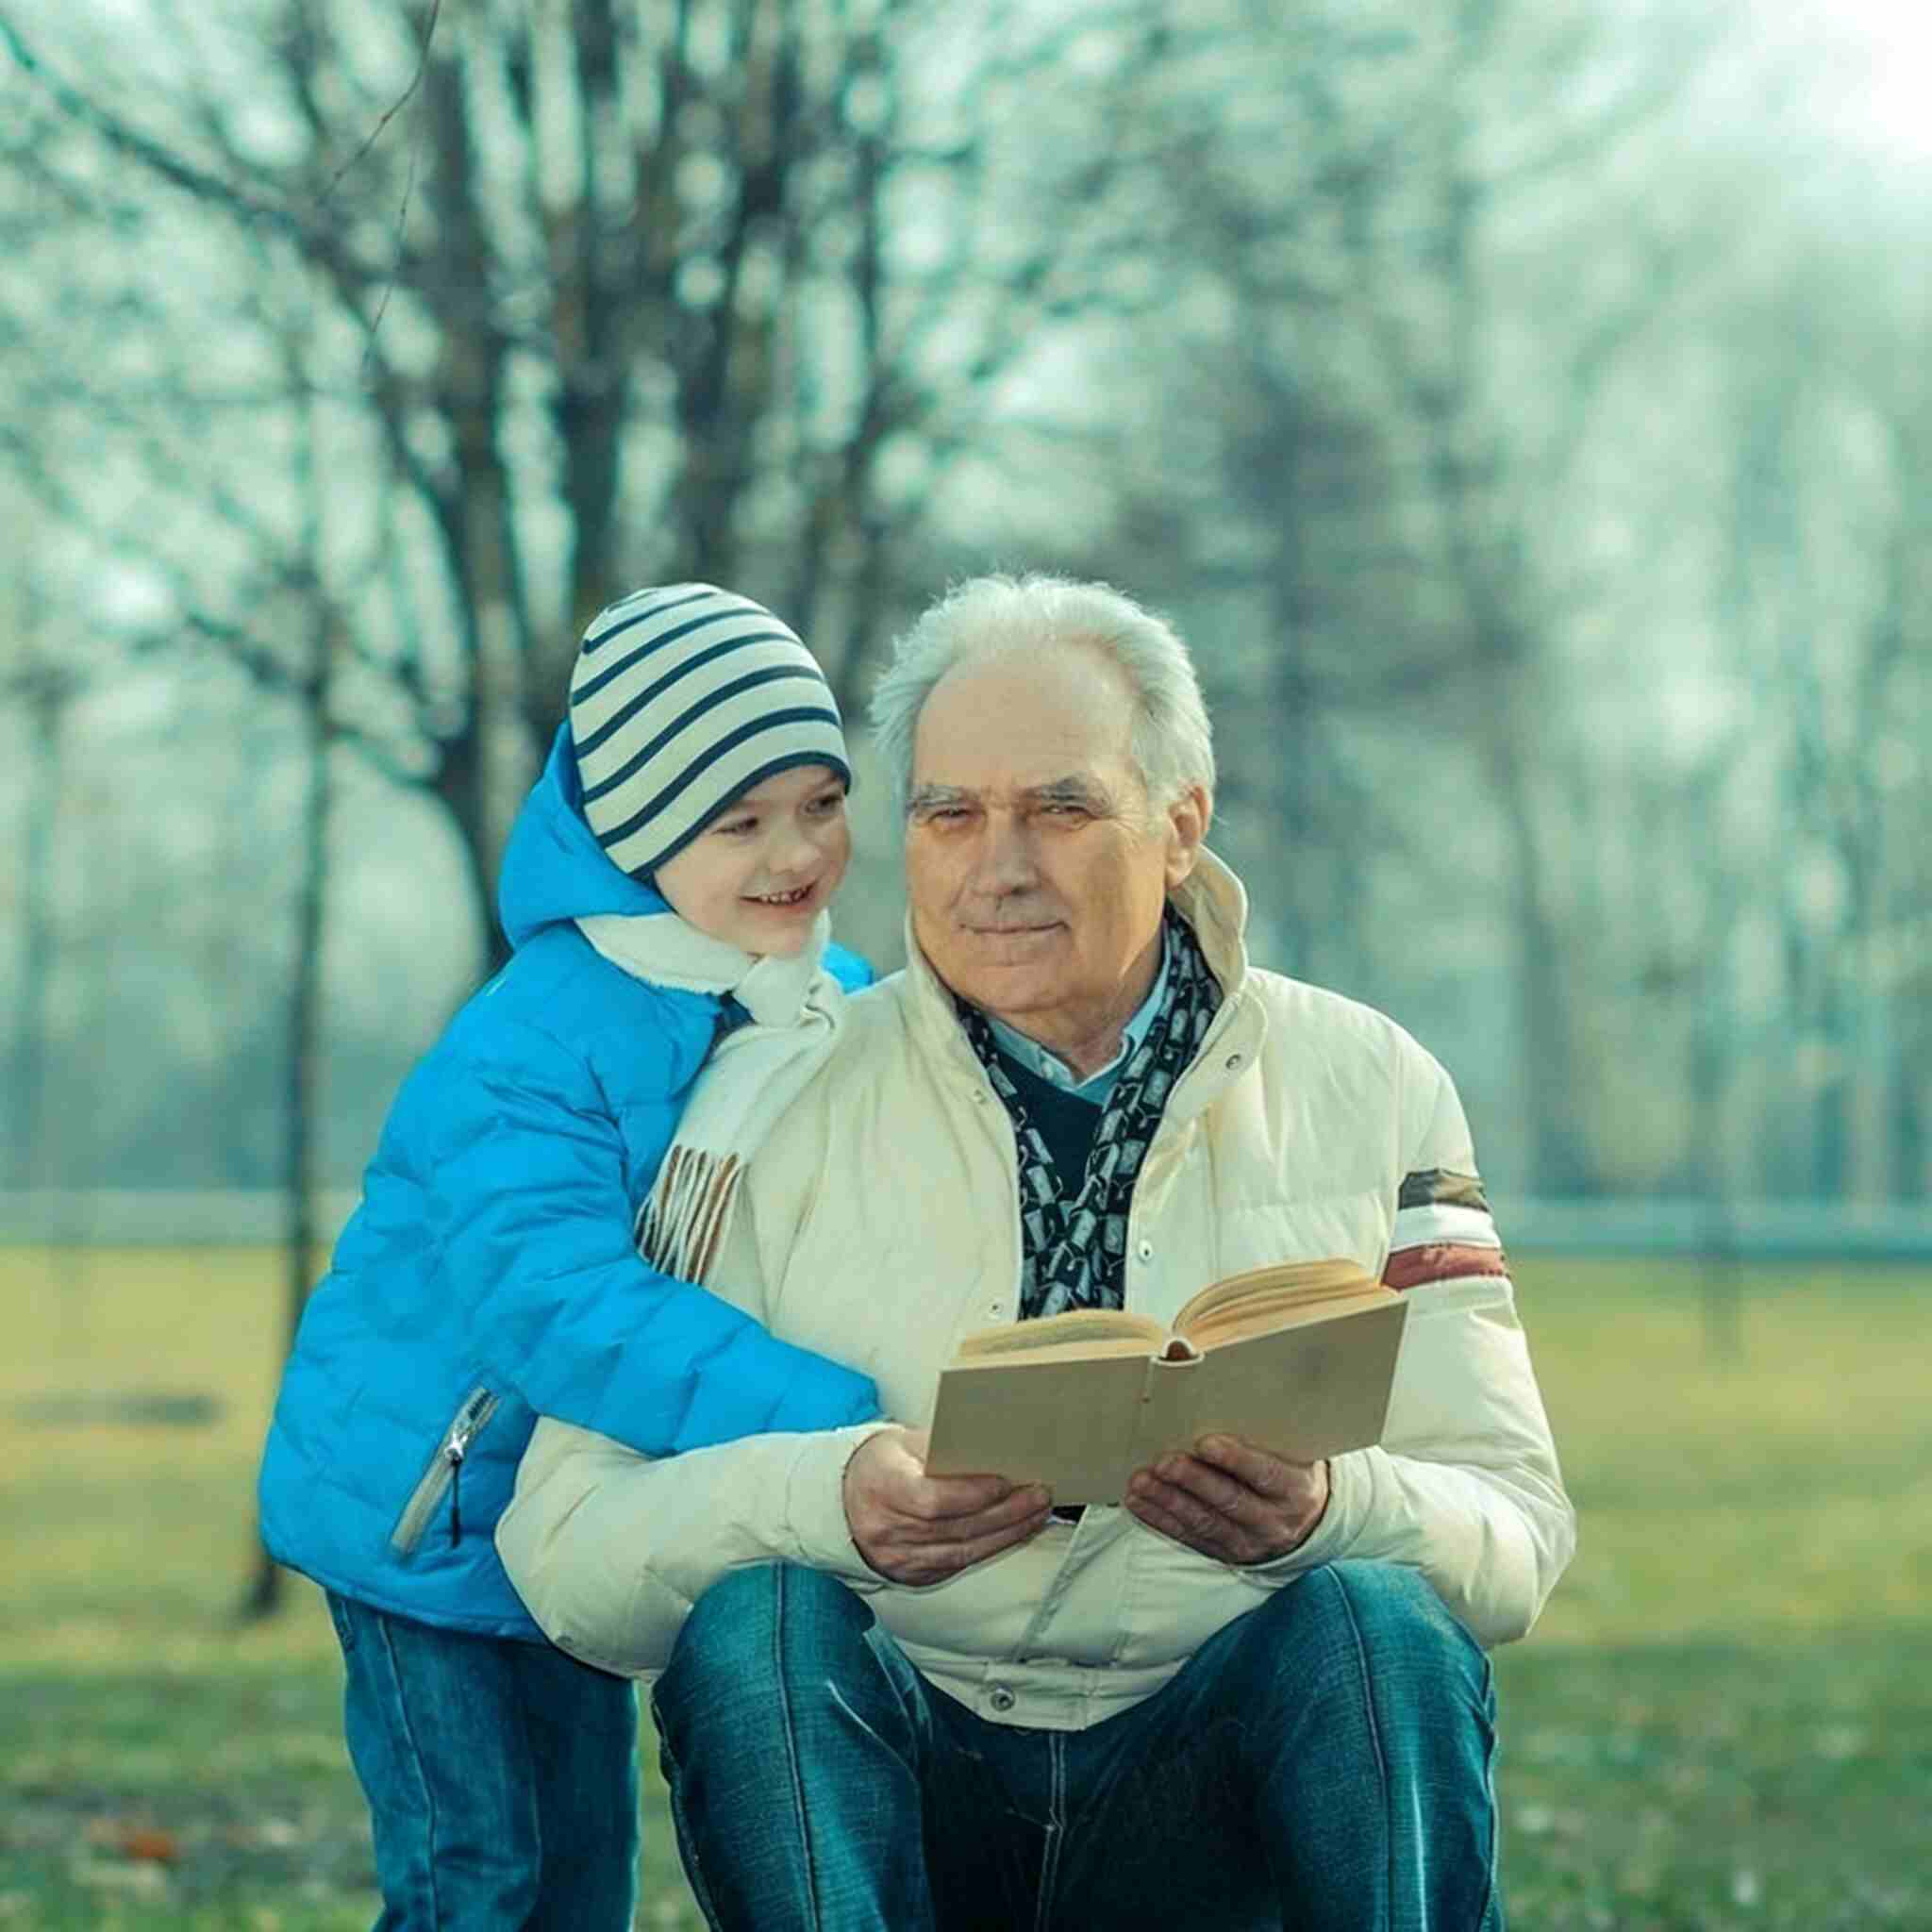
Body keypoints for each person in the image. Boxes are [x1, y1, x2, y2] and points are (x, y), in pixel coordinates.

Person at [495, 574, 1577, 1932]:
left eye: (1060, 808)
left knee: (1380, 1628)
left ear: (1181, 826)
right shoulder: (761, 1101)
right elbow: (564, 1540)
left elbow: (1518, 1530)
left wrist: (1327, 1512)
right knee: (756, 1626)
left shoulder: (1378, 1085)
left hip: (1217, 1791)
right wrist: (835, 1499)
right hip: (902, 1776)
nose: (998, 866)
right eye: (950, 813)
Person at [257, 583, 885, 1932]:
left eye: (820, 802)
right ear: (640, 833)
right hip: (434, 1516)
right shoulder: (539, 1037)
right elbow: (558, 1306)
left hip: (570, 1518)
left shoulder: (808, 995)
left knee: (581, 1883)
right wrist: (835, 1414)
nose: (795, 853)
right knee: (480, 1879)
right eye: (741, 821)